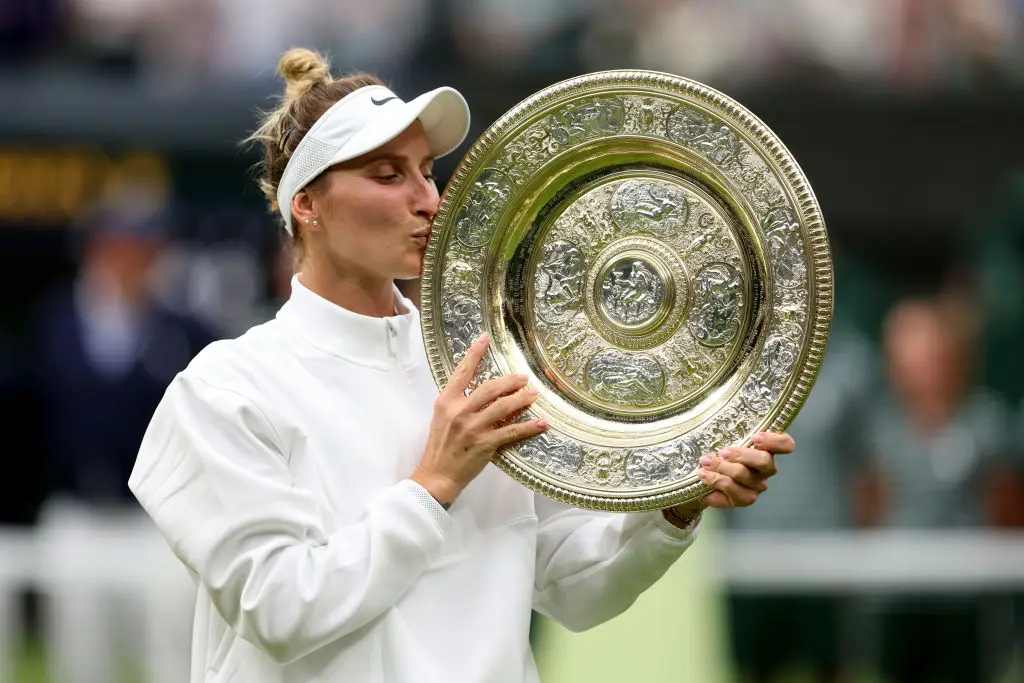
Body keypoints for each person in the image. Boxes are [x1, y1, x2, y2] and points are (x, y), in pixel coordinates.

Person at [128, 48, 796, 683]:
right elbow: (280, 609)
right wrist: (434, 484)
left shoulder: (489, 363)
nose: (428, 198)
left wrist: (672, 504)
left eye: (426, 170)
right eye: (388, 174)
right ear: (305, 203)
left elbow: (571, 587)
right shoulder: (224, 388)